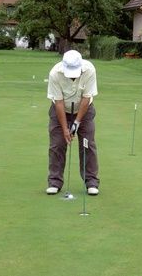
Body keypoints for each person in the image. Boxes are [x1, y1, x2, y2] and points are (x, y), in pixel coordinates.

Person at [46, 50, 100, 196]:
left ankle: (91, 182)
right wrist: (65, 129)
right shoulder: (55, 73)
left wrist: (76, 123)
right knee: (57, 144)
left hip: (84, 110)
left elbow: (86, 98)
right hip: (60, 111)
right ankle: (54, 182)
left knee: (87, 143)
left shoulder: (89, 70)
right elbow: (58, 102)